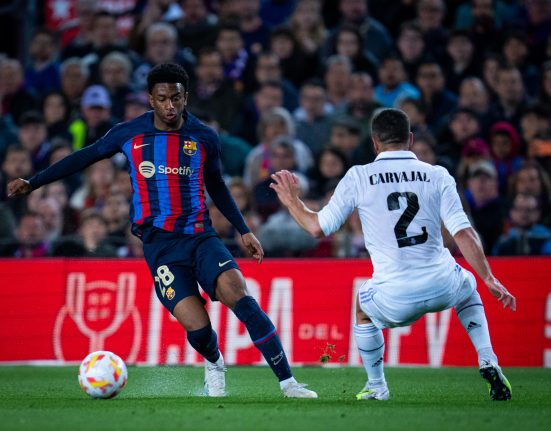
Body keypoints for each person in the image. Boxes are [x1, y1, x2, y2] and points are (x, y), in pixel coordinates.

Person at [7, 63, 316, 399]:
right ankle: (214, 362)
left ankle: (288, 383)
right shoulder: (129, 133)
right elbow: (83, 157)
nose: (170, 105)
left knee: (240, 296)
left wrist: (243, 230)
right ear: (151, 100)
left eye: (177, 98)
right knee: (197, 327)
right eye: (163, 98)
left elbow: (217, 186)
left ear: (186, 98)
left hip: (201, 236)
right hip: (160, 246)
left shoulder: (203, 137)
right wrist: (34, 182)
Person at [270, 108, 515, 401]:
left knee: (362, 306)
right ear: (410, 139)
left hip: (395, 295)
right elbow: (464, 233)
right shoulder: (437, 175)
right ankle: (488, 360)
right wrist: (488, 277)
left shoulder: (359, 176)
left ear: (374, 142)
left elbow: (316, 228)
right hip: (441, 283)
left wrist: (292, 201)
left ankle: (377, 386)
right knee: (468, 288)